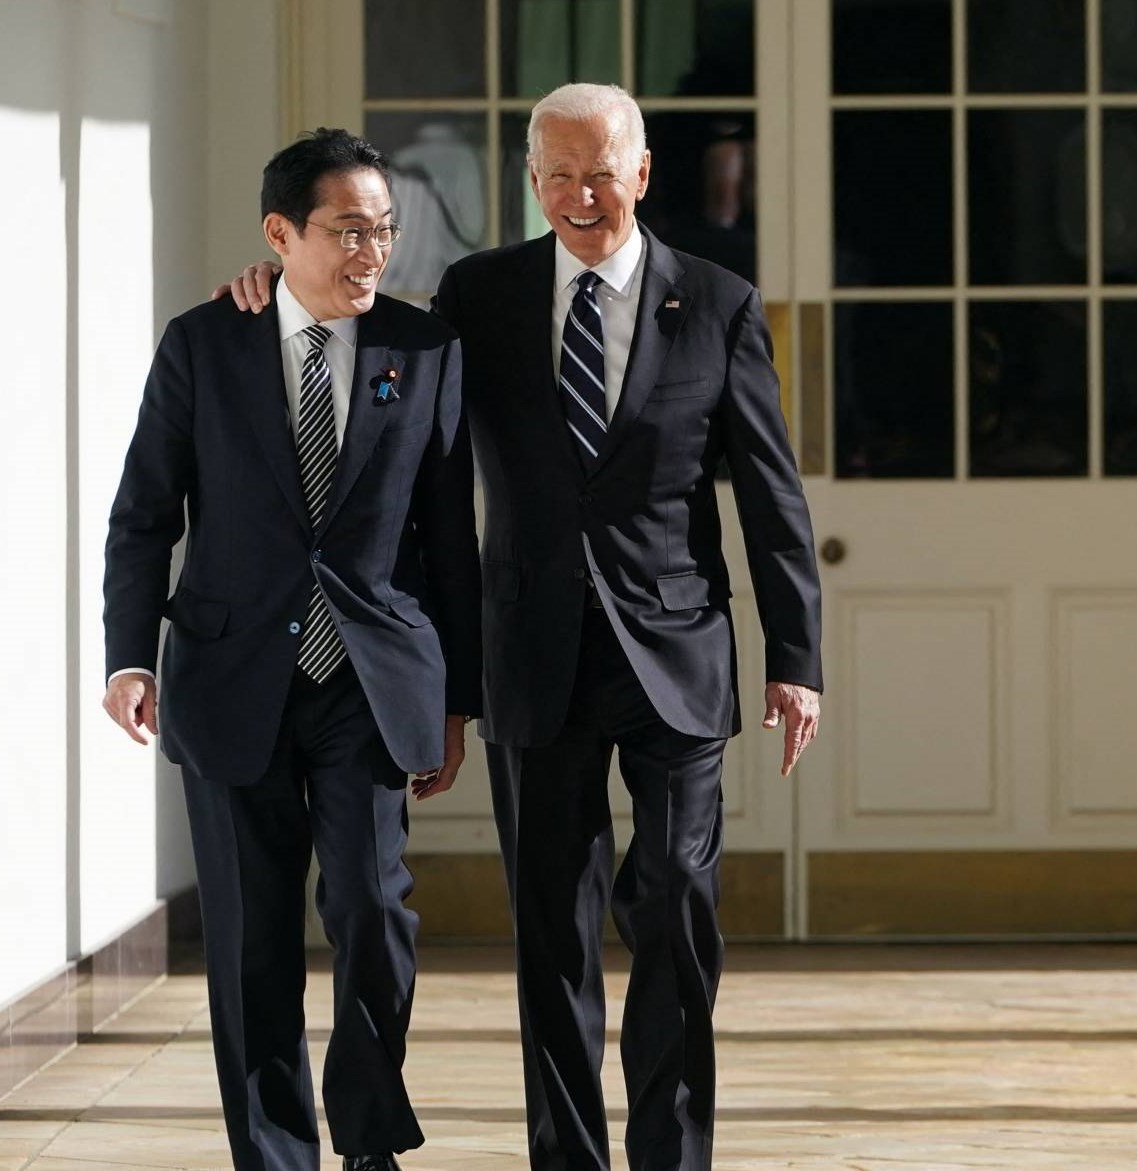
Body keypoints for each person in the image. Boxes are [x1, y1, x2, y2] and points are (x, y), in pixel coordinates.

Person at [223, 84, 824, 1171]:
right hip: (531, 655)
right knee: (551, 928)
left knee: (675, 900)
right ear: (532, 179)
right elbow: (380, 353)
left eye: (602, 175)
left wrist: (796, 658)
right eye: (558, 176)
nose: (581, 196)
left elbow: (772, 497)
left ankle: (672, 1155)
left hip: (676, 651)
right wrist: (278, 291)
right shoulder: (480, 292)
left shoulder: (718, 302)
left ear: (643, 174)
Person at [104, 128, 480, 1171]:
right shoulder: (204, 343)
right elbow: (145, 513)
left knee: (373, 910)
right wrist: (128, 656)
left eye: (385, 229)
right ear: (281, 233)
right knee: (249, 939)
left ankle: (367, 1140)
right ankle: (274, 1155)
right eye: (348, 230)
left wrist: (457, 699)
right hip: (231, 678)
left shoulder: (424, 347)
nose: (373, 252)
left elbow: (450, 538)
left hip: (370, 682)